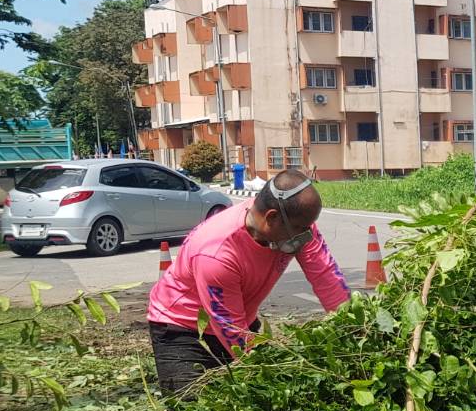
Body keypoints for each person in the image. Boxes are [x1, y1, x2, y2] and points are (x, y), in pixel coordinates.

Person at [146, 169, 352, 396]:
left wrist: (353, 330)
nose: (307, 235)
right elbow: (232, 329)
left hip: (239, 318)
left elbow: (326, 277)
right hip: (184, 330)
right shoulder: (216, 253)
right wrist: (270, 371)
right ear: (271, 218)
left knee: (255, 407)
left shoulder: (297, 226)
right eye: (301, 230)